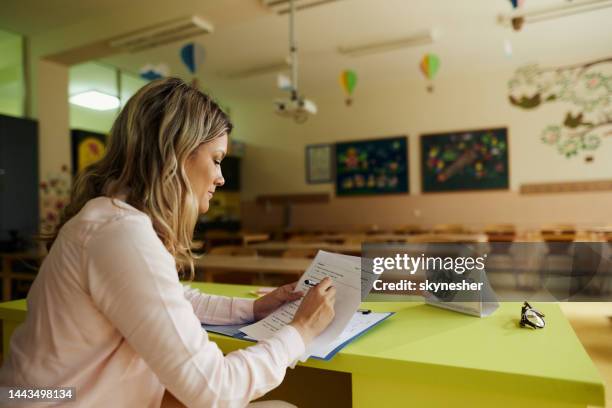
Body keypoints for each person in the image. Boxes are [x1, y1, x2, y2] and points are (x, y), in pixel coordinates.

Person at [0, 78, 336, 407]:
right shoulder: (121, 234)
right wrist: (301, 330)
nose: (221, 178)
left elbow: (165, 300)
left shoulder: (107, 218)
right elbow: (217, 391)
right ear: (176, 153)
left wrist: (251, 309)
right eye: (216, 159)